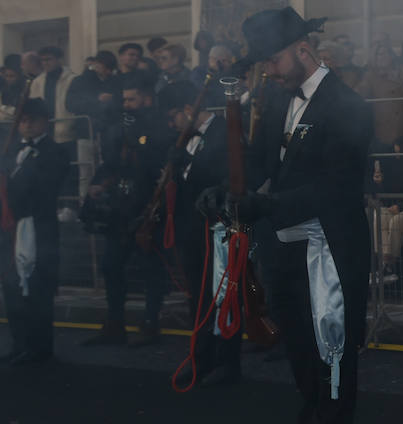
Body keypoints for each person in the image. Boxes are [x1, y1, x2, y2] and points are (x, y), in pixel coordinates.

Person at [207, 7, 373, 424]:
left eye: (274, 60)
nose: (269, 72)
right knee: (301, 357)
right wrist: (224, 192)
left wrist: (266, 204)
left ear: (303, 49)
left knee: (333, 357)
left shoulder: (349, 106)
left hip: (330, 252)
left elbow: (338, 189)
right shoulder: (280, 101)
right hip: (285, 251)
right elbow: (259, 160)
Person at [82, 73, 172, 347]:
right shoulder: (118, 126)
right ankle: (115, 322)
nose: (127, 104)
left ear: (146, 99)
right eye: (125, 99)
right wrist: (98, 184)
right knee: (111, 266)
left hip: (148, 204)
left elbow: (156, 163)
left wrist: (136, 137)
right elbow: (111, 161)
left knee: (150, 268)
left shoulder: (160, 125)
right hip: (120, 207)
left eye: (132, 99)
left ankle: (150, 323)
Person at [162, 81, 242, 387]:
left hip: (217, 227)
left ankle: (227, 361)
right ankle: (201, 357)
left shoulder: (224, 128)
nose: (173, 124)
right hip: (191, 230)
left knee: (223, 295)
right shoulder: (185, 139)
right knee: (197, 298)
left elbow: (228, 173)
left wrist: (190, 163)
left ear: (188, 110)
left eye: (174, 117)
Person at [0, 100, 70, 367]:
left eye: (31, 119)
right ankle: (19, 343)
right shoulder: (10, 149)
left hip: (37, 227)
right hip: (10, 227)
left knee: (38, 288)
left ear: (44, 122)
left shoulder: (55, 152)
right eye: (22, 120)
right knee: (12, 288)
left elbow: (44, 187)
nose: (26, 124)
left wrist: (11, 179)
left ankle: (39, 346)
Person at [28, 47, 77, 143]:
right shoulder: (37, 82)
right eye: (42, 60)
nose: (45, 63)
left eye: (49, 59)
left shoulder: (72, 80)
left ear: (59, 60)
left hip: (67, 134)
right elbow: (33, 107)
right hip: (43, 133)